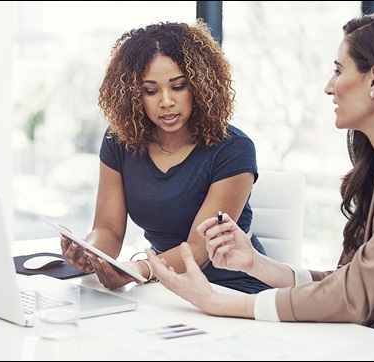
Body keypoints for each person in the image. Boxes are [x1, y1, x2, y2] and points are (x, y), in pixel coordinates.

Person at [146, 12, 374, 361]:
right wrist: (256, 264)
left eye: (338, 71)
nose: (330, 86)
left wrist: (221, 302)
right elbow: (350, 278)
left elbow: (353, 294)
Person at [60, 20, 271, 294]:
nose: (166, 101)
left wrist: (141, 270)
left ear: (200, 86)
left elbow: (199, 249)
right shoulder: (119, 142)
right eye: (151, 90)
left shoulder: (234, 148)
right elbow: (108, 229)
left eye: (178, 86)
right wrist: (92, 253)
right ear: (134, 95)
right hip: (163, 286)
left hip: (230, 288)